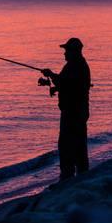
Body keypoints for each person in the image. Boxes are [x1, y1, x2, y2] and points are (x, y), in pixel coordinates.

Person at [41, 38, 91, 182]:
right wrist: (56, 85)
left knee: (67, 146)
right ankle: (81, 175)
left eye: (67, 50)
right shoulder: (76, 65)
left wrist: (50, 74)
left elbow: (66, 82)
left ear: (74, 51)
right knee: (78, 146)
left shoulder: (76, 65)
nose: (64, 54)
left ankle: (67, 178)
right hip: (78, 111)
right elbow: (70, 85)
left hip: (73, 112)